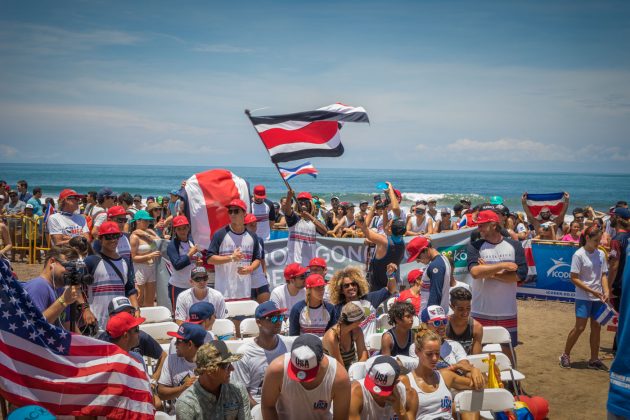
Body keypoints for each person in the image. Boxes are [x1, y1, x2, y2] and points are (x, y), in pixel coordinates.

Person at [467, 210, 527, 361]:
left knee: (507, 349)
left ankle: (512, 385)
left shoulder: (514, 246)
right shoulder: (475, 246)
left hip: (507, 310)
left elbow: (520, 275)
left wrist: (490, 272)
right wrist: (503, 265)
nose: (478, 229)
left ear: (494, 225)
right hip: (480, 310)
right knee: (478, 348)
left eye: (482, 225)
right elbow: (475, 272)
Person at [260, 333, 351, 420]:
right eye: (298, 371)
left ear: (321, 360)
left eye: (308, 372)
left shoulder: (339, 378)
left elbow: (341, 418)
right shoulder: (276, 371)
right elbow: (268, 406)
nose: (302, 379)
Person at [560, 225, 610, 370]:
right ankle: (565, 355)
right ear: (587, 238)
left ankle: (594, 359)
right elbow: (574, 278)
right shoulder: (579, 254)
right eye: (596, 240)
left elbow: (603, 274)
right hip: (583, 297)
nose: (598, 243)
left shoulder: (600, 254)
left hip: (598, 297)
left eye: (599, 240)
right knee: (580, 327)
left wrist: (606, 291)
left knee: (596, 327)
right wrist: (592, 291)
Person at [407, 329, 484, 420]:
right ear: (417, 352)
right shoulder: (407, 381)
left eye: (437, 353)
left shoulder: (445, 376)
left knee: (471, 404)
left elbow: (483, 384)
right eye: (429, 354)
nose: (435, 358)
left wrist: (473, 370)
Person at [83, 221, 139, 330]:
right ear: (100, 239)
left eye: (116, 236)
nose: (113, 239)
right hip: (97, 322)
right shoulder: (91, 261)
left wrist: (136, 308)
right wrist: (85, 309)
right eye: (108, 237)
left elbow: (130, 289)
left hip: (120, 323)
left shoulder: (125, 262)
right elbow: (76, 288)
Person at [232, 301, 290, 407]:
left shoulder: (287, 345)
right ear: (259, 322)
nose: (278, 322)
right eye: (272, 318)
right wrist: (262, 412)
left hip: (286, 407)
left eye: (280, 317)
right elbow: (242, 393)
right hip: (257, 407)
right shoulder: (244, 353)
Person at [99, 296, 167, 385]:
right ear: (112, 316)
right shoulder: (101, 343)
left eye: (131, 312)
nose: (129, 316)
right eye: (124, 313)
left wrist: (153, 382)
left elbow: (163, 355)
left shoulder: (140, 341)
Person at [175, 340, 250, 419]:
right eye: (226, 365)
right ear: (209, 369)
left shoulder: (238, 390)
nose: (232, 368)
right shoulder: (187, 404)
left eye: (230, 364)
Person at [207, 199, 262, 301]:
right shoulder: (220, 234)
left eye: (236, 211)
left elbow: (257, 259)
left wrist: (250, 268)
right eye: (230, 211)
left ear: (244, 213)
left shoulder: (252, 236)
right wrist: (231, 257)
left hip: (244, 292)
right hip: (224, 293)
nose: (232, 214)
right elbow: (210, 259)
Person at [416, 306, 484, 387]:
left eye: (444, 321)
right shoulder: (417, 347)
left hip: (457, 387)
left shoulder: (455, 345)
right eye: (436, 322)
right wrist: (456, 366)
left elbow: (465, 367)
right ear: (425, 325)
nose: (442, 326)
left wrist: (473, 370)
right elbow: (426, 375)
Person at [356, 192, 406, 291]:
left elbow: (364, 228)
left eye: (390, 224)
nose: (387, 224)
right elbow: (385, 227)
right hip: (391, 285)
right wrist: (384, 210)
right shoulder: (401, 241)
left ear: (390, 230)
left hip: (377, 287)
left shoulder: (383, 241)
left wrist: (374, 207)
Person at [21, 246, 81, 328]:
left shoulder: (60, 290)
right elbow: (35, 326)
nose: (71, 272)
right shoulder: (38, 287)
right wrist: (63, 301)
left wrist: (85, 341)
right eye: (68, 266)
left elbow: (67, 325)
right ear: (52, 262)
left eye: (75, 268)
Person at [328, 265, 396, 336]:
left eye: (353, 284)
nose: (351, 287)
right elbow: (334, 333)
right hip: (352, 346)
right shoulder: (337, 309)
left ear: (358, 286)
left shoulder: (370, 299)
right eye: (346, 286)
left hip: (372, 346)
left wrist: (390, 275)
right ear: (341, 290)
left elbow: (391, 289)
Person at [348, 355, 418, 420]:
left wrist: (399, 409)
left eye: (382, 389)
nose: (376, 393)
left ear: (396, 383)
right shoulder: (355, 393)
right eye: (373, 386)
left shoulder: (409, 394)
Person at [157, 322, 207, 408]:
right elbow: (161, 393)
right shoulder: (171, 360)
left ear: (190, 344)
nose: (175, 344)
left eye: (178, 341)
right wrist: (183, 388)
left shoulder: (210, 361)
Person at [406, 236, 452, 314]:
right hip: (435, 314)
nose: (417, 261)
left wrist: (429, 319)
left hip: (433, 316)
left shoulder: (436, 265)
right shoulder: (442, 259)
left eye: (418, 257)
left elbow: (435, 295)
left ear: (426, 250)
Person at [283, 190, 328, 264]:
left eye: (306, 202)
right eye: (300, 202)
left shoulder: (314, 222)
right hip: (295, 264)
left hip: (310, 264)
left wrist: (309, 216)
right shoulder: (295, 219)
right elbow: (287, 211)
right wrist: (289, 197)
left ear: (310, 204)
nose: (303, 203)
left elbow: (324, 231)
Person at [166, 215, 199, 312]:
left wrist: (198, 262)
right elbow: (177, 265)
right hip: (177, 286)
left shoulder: (191, 241)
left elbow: (193, 260)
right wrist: (190, 254)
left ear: (188, 228)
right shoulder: (172, 245)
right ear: (175, 230)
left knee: (193, 313)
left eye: (184, 228)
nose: (182, 231)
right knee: (178, 315)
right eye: (179, 229)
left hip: (192, 286)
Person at [323, 301, 368, 370]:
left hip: (348, 371)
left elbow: (363, 357)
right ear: (357, 322)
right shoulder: (332, 338)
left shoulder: (357, 331)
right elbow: (340, 368)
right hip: (332, 373)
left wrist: (357, 371)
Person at [130, 210, 161, 307]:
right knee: (138, 298)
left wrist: (145, 235)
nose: (148, 223)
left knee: (150, 299)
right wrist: (149, 256)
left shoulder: (150, 231)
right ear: (138, 221)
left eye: (149, 221)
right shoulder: (134, 237)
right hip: (139, 269)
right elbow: (133, 257)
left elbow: (159, 242)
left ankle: (149, 320)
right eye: (145, 221)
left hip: (151, 268)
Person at [446, 287, 484, 355]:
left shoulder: (476, 327)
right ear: (451, 307)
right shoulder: (444, 325)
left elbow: (476, 356)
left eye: (468, 308)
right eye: (461, 309)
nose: (465, 312)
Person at [244, 213, 271, 303]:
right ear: (244, 226)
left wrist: (265, 274)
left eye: (255, 224)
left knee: (266, 308)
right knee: (249, 311)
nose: (254, 226)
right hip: (247, 280)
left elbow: (262, 259)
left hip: (260, 279)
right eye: (251, 224)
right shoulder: (240, 240)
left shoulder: (259, 240)